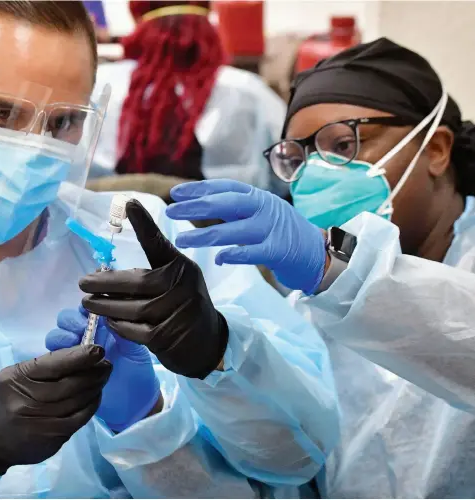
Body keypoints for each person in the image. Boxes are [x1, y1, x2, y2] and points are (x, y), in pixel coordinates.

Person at [0, 2, 340, 497]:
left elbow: (298, 456)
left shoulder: (145, 242)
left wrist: (207, 361)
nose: (33, 147)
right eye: (2, 113)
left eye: (63, 122)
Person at [165, 37, 475, 497]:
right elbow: (286, 466)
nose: (313, 175)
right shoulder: (306, 305)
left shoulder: (333, 278)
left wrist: (338, 271)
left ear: (436, 150)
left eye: (345, 144)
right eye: (298, 157)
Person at [91, 1, 287, 195]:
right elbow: (287, 175)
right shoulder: (247, 90)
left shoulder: (99, 86)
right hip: (223, 222)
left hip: (108, 221)